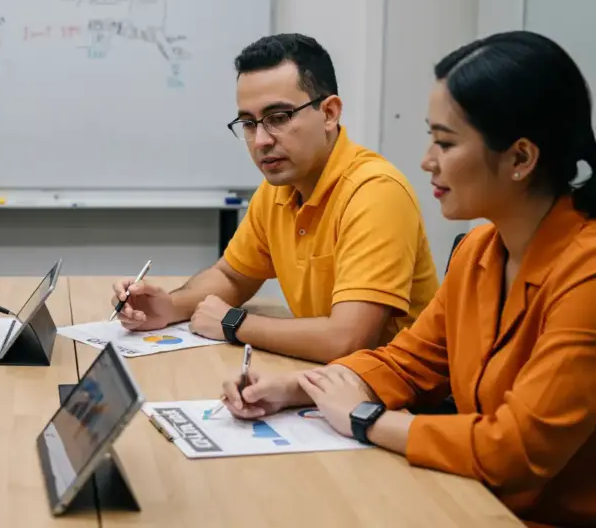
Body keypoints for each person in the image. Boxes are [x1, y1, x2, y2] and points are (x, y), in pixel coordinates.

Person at [221, 31, 596, 527]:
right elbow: (408, 362)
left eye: (446, 142)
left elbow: (513, 449)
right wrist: (292, 388)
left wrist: (366, 418)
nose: (427, 160)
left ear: (521, 159)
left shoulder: (586, 274)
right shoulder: (480, 250)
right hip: (472, 498)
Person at [112, 33, 438, 363]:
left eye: (278, 118)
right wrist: (169, 307)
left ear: (329, 113)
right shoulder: (279, 189)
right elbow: (232, 276)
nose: (260, 141)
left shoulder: (375, 192)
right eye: (248, 123)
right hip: (328, 377)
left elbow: (347, 340)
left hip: (396, 390)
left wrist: (233, 323)